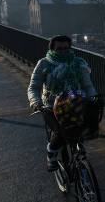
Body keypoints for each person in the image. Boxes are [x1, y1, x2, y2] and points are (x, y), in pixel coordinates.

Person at [27, 35, 98, 171]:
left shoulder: (78, 63)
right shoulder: (44, 64)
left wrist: (93, 98)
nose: (63, 51)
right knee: (60, 133)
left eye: (66, 48)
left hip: (76, 103)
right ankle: (51, 155)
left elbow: (87, 86)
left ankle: (79, 158)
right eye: (59, 49)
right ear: (52, 49)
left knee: (81, 128)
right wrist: (36, 102)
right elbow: (34, 87)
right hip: (51, 106)